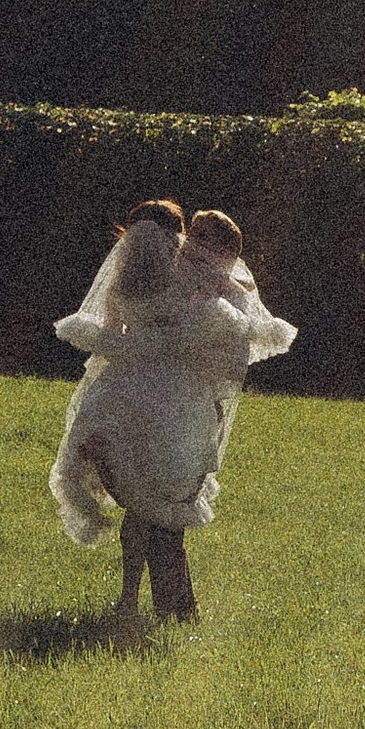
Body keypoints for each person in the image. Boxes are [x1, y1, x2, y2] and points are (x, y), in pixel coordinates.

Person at [49, 199, 296, 625]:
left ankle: (139, 601)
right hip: (176, 404)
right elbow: (237, 323)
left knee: (142, 512)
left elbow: (112, 336)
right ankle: (171, 608)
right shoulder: (193, 277)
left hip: (121, 398)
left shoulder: (130, 280)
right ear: (178, 234)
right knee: (163, 515)